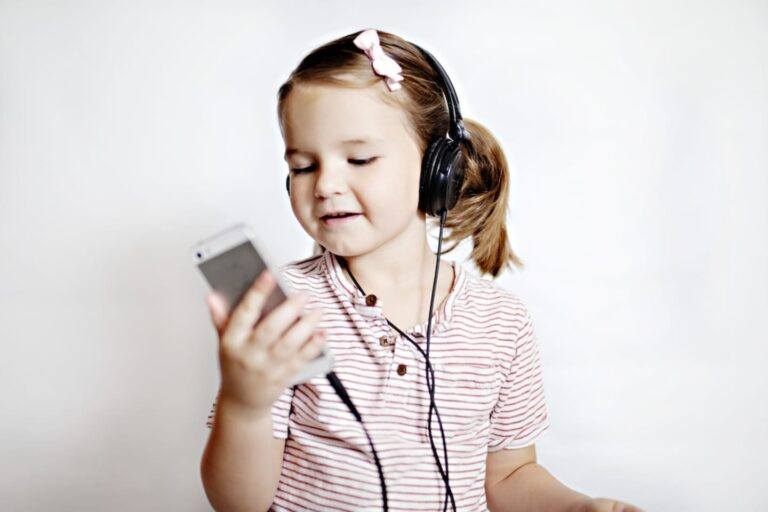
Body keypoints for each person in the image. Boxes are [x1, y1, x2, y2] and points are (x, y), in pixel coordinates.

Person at [200, 28, 645, 512]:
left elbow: (510, 475)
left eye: (360, 158)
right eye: (304, 165)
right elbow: (237, 504)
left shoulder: (501, 324)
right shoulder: (284, 307)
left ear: (439, 168)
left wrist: (578, 508)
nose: (326, 183)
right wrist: (245, 405)